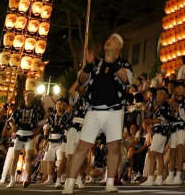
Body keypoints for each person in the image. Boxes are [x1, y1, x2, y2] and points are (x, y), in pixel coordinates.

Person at [63, 33, 132, 194]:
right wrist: (87, 65)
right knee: (82, 147)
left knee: (114, 147)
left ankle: (109, 183)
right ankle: (69, 183)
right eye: (109, 38)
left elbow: (126, 79)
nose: (109, 40)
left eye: (114, 40)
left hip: (114, 110)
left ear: (119, 48)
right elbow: (81, 80)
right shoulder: (96, 63)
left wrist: (112, 63)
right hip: (93, 110)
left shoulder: (124, 63)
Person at [5, 88, 45, 187]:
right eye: (27, 95)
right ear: (24, 97)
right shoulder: (19, 109)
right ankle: (12, 180)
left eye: (30, 96)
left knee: (28, 158)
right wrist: (13, 125)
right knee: (15, 158)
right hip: (19, 135)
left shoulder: (37, 110)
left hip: (30, 135)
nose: (28, 97)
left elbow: (41, 123)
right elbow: (10, 119)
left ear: (33, 98)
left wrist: (37, 131)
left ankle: (26, 178)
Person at [141, 87, 173, 186]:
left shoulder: (165, 106)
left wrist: (149, 121)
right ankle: (159, 178)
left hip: (161, 132)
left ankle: (150, 178)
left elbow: (161, 120)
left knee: (151, 154)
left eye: (160, 94)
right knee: (159, 156)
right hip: (158, 132)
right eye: (157, 94)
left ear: (165, 96)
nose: (158, 96)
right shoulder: (159, 106)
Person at [60, 83, 87, 189]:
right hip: (73, 127)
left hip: (85, 128)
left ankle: (79, 178)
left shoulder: (92, 97)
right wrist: (79, 79)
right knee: (70, 156)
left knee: (83, 158)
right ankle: (68, 180)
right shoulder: (77, 97)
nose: (83, 88)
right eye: (82, 86)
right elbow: (71, 90)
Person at [165, 84, 185, 185]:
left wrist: (176, 107)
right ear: (175, 89)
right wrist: (172, 107)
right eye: (178, 88)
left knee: (180, 150)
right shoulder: (172, 100)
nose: (180, 90)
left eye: (182, 88)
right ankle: (170, 175)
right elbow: (168, 116)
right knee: (172, 152)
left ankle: (178, 176)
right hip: (172, 127)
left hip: (182, 127)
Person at [40, 99, 67, 185]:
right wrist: (45, 139)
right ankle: (50, 178)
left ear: (64, 106)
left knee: (61, 160)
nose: (59, 106)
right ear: (55, 106)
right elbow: (46, 128)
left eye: (61, 104)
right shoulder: (51, 116)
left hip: (61, 141)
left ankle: (62, 177)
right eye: (57, 104)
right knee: (50, 160)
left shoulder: (66, 116)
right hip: (51, 141)